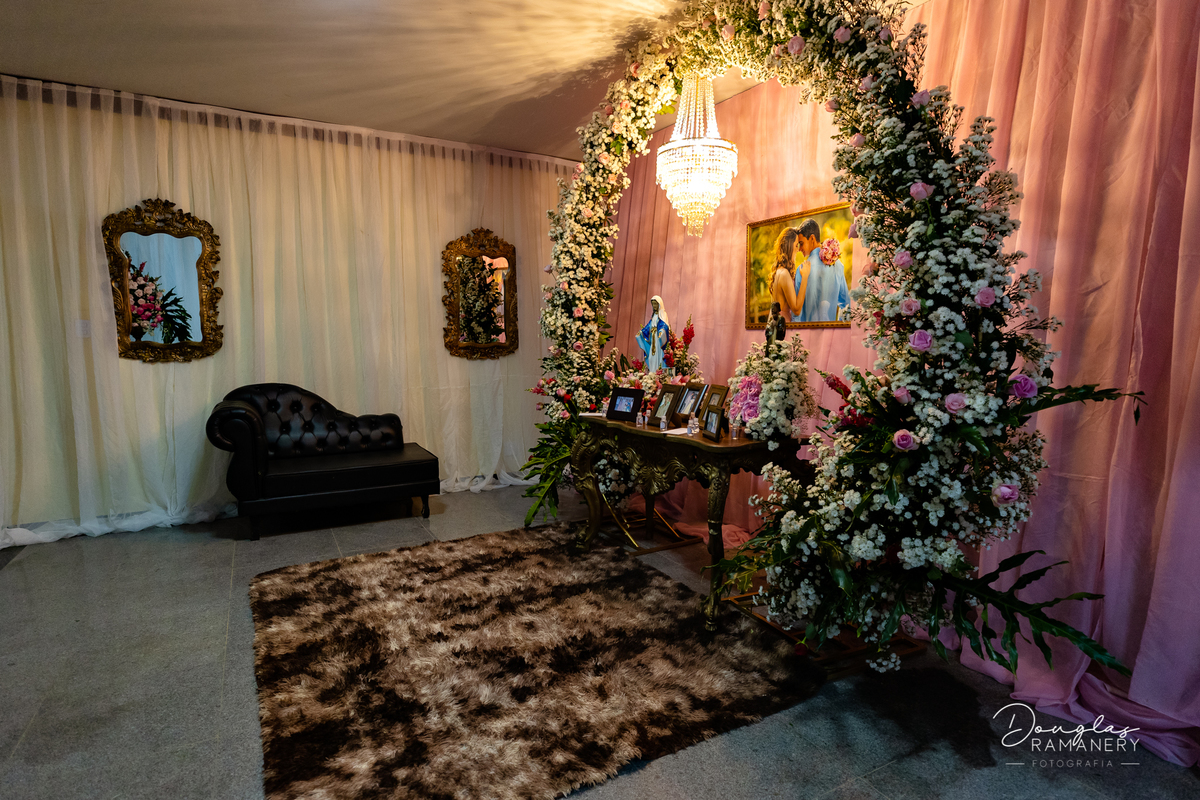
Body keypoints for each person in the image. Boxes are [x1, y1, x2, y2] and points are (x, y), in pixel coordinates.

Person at [795, 218, 850, 322]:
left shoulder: (801, 270)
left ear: (812, 238)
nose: (799, 249)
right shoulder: (837, 264)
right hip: (832, 331)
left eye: (801, 243)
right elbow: (847, 306)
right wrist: (838, 327)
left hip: (806, 331)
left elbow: (796, 315)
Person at [769, 227, 807, 322]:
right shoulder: (784, 274)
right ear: (789, 246)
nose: (798, 250)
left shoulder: (778, 271)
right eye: (796, 245)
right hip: (783, 324)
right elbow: (796, 310)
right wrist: (805, 276)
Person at [636, 295, 670, 373]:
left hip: (659, 340)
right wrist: (641, 332)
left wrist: (661, 331)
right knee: (652, 356)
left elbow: (665, 325)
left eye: (655, 304)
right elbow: (649, 326)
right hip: (653, 339)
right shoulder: (654, 315)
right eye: (653, 304)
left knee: (659, 356)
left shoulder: (663, 314)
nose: (654, 306)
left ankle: (659, 373)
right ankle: (652, 372)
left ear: (659, 304)